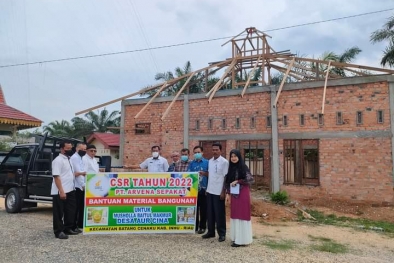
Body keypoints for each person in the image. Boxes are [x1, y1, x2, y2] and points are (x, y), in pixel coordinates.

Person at [225, 149, 254, 247]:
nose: (233, 158)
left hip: (243, 193)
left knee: (242, 214)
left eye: (235, 156)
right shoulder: (230, 168)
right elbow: (228, 182)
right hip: (234, 194)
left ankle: (242, 240)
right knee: (235, 215)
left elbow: (250, 179)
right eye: (231, 156)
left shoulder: (243, 166)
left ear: (239, 157)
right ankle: (236, 238)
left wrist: (238, 181)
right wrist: (228, 194)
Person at [51, 141, 79, 239]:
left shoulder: (69, 159)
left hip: (70, 189)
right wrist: (61, 191)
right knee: (59, 212)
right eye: (67, 148)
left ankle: (68, 228)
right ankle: (58, 231)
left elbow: (69, 174)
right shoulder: (58, 160)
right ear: (62, 149)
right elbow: (56, 177)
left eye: (71, 148)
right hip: (60, 191)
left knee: (70, 210)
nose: (70, 150)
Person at [202, 142, 229, 242]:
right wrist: (204, 174)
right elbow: (211, 174)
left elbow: (226, 177)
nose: (215, 151)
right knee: (210, 213)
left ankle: (222, 233)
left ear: (220, 150)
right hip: (210, 190)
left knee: (219, 213)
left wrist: (223, 192)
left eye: (217, 150)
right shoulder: (210, 161)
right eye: (213, 150)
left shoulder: (224, 162)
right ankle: (211, 232)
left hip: (219, 192)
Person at [188, 146, 208, 234]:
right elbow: (188, 175)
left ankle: (203, 227)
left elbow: (210, 175)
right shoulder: (192, 163)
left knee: (204, 209)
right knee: (194, 208)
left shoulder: (207, 162)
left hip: (204, 189)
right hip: (194, 189)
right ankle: (195, 226)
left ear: (202, 152)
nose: (197, 154)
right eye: (195, 152)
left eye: (198, 152)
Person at [69, 142, 87, 231]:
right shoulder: (75, 158)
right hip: (77, 186)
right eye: (82, 149)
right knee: (75, 208)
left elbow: (83, 173)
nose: (83, 151)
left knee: (80, 206)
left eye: (84, 150)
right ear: (76, 149)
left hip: (80, 186)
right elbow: (79, 173)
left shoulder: (80, 158)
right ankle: (73, 226)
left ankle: (77, 225)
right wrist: (83, 185)